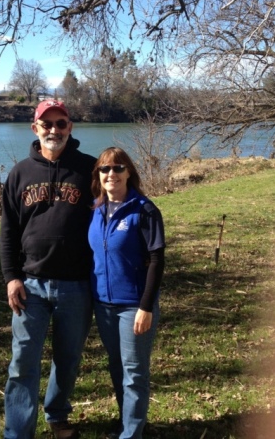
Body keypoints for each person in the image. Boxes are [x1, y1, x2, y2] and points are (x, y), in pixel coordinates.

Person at [0, 100, 96, 439]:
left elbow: (113, 212)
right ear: (35, 128)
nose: (54, 130)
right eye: (47, 124)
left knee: (68, 359)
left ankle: (57, 415)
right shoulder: (20, 173)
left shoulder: (91, 169)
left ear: (70, 127)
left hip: (77, 284)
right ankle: (18, 432)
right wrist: (12, 278)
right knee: (23, 362)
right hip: (31, 285)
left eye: (61, 123)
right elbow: (8, 231)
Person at [88, 147, 165, 439]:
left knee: (134, 372)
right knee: (117, 367)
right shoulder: (95, 210)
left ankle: (131, 433)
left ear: (128, 172)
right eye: (105, 169)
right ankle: (128, 423)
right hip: (104, 304)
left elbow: (157, 260)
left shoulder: (144, 209)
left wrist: (146, 306)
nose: (111, 174)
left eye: (118, 168)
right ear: (98, 175)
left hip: (134, 305)